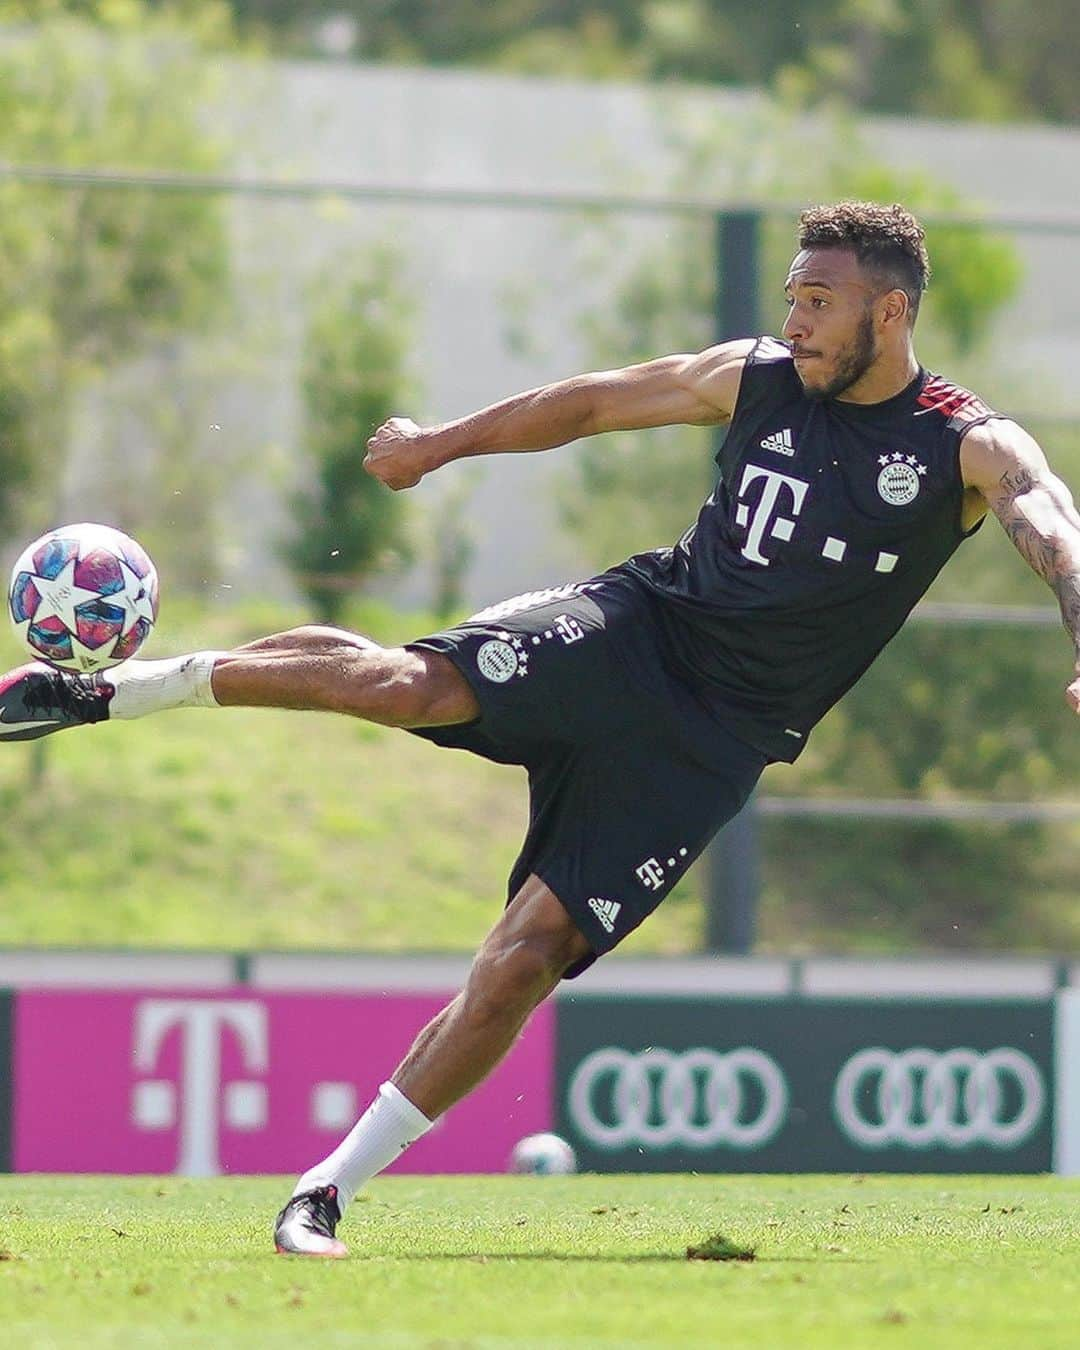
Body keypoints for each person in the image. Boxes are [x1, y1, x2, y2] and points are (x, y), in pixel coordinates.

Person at [3, 201, 1079, 1256]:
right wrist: (439, 446)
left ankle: (323, 1194)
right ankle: (114, 692)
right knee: (404, 684)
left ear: (889, 315)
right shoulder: (753, 375)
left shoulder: (963, 445)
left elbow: (1052, 526)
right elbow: (596, 404)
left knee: (526, 957)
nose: (794, 319)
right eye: (791, 295)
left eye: (819, 301)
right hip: (635, 630)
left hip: (714, 740)